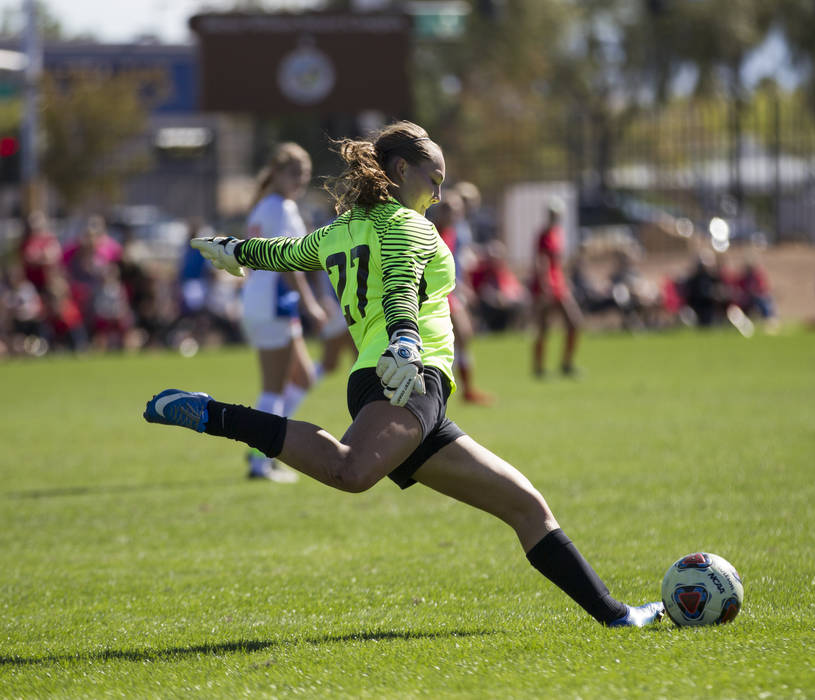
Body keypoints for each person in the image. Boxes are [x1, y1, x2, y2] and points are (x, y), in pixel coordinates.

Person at [144, 120, 663, 628]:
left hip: (399, 384)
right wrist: (406, 340)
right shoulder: (410, 226)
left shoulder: (341, 229)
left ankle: (617, 617)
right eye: (433, 180)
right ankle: (214, 415)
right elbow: (399, 285)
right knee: (349, 471)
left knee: (526, 506)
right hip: (406, 377)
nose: (437, 196)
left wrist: (235, 251)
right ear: (399, 168)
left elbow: (286, 254)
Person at [239, 142, 329, 482]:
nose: (299, 181)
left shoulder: (266, 206)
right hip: (272, 303)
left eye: (304, 175)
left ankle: (264, 446)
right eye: (294, 173)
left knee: (303, 378)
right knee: (273, 388)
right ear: (275, 172)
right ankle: (261, 460)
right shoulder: (280, 208)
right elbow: (288, 263)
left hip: (265, 302)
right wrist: (311, 304)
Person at [431, 194, 493, 403]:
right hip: (434, 294)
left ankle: (465, 389)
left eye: (458, 211)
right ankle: (447, 389)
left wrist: (463, 286)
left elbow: (453, 266)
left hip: (449, 292)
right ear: (442, 211)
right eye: (451, 210)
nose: (456, 214)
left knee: (464, 335)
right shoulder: (432, 232)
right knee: (455, 337)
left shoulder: (453, 233)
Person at [531, 197, 583, 377]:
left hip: (559, 284)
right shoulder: (544, 234)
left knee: (574, 322)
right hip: (548, 285)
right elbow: (542, 261)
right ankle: (538, 367)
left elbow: (557, 262)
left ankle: (566, 364)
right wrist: (545, 284)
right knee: (544, 327)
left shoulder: (557, 233)